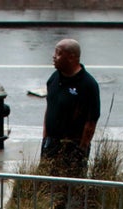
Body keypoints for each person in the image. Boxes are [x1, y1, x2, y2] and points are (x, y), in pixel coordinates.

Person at [41, 38, 101, 177]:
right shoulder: (54, 78)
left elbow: (91, 121)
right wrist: (45, 137)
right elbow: (49, 107)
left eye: (59, 53)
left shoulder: (88, 85)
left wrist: (82, 149)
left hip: (72, 146)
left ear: (71, 57)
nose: (54, 56)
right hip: (50, 144)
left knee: (70, 188)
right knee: (46, 184)